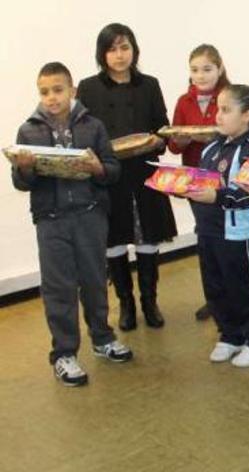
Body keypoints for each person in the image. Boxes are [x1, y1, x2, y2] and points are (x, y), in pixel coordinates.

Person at [11, 62, 133, 386]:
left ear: (72, 91)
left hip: (89, 216)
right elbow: (21, 183)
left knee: (94, 280)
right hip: (51, 221)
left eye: (58, 90)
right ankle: (64, 353)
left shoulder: (92, 126)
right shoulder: (28, 130)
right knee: (59, 288)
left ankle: (103, 338)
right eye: (44, 91)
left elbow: (112, 169)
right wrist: (24, 169)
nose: (51, 97)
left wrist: (97, 168)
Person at [77, 23, 176, 331]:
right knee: (114, 240)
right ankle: (126, 305)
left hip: (145, 168)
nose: (119, 55)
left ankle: (150, 301)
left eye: (125, 47)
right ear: (101, 54)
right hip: (108, 175)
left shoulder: (150, 84)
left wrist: (158, 140)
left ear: (134, 50)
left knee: (148, 237)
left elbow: (163, 127)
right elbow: (81, 133)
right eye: (112, 49)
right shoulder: (88, 87)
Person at [185, 85, 249, 368]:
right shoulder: (212, 146)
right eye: (217, 109)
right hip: (208, 230)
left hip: (237, 234)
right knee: (216, 288)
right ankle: (230, 335)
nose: (218, 115)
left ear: (247, 115)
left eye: (226, 110)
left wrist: (217, 196)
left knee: (243, 288)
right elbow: (201, 181)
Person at [168, 43, 230, 322]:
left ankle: (236, 293)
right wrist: (180, 139)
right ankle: (214, 299)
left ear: (220, 69)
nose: (201, 75)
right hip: (195, 178)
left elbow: (241, 133)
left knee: (229, 238)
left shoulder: (230, 97)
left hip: (224, 177)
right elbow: (174, 144)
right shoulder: (184, 101)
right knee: (205, 239)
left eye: (207, 69)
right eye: (195, 70)